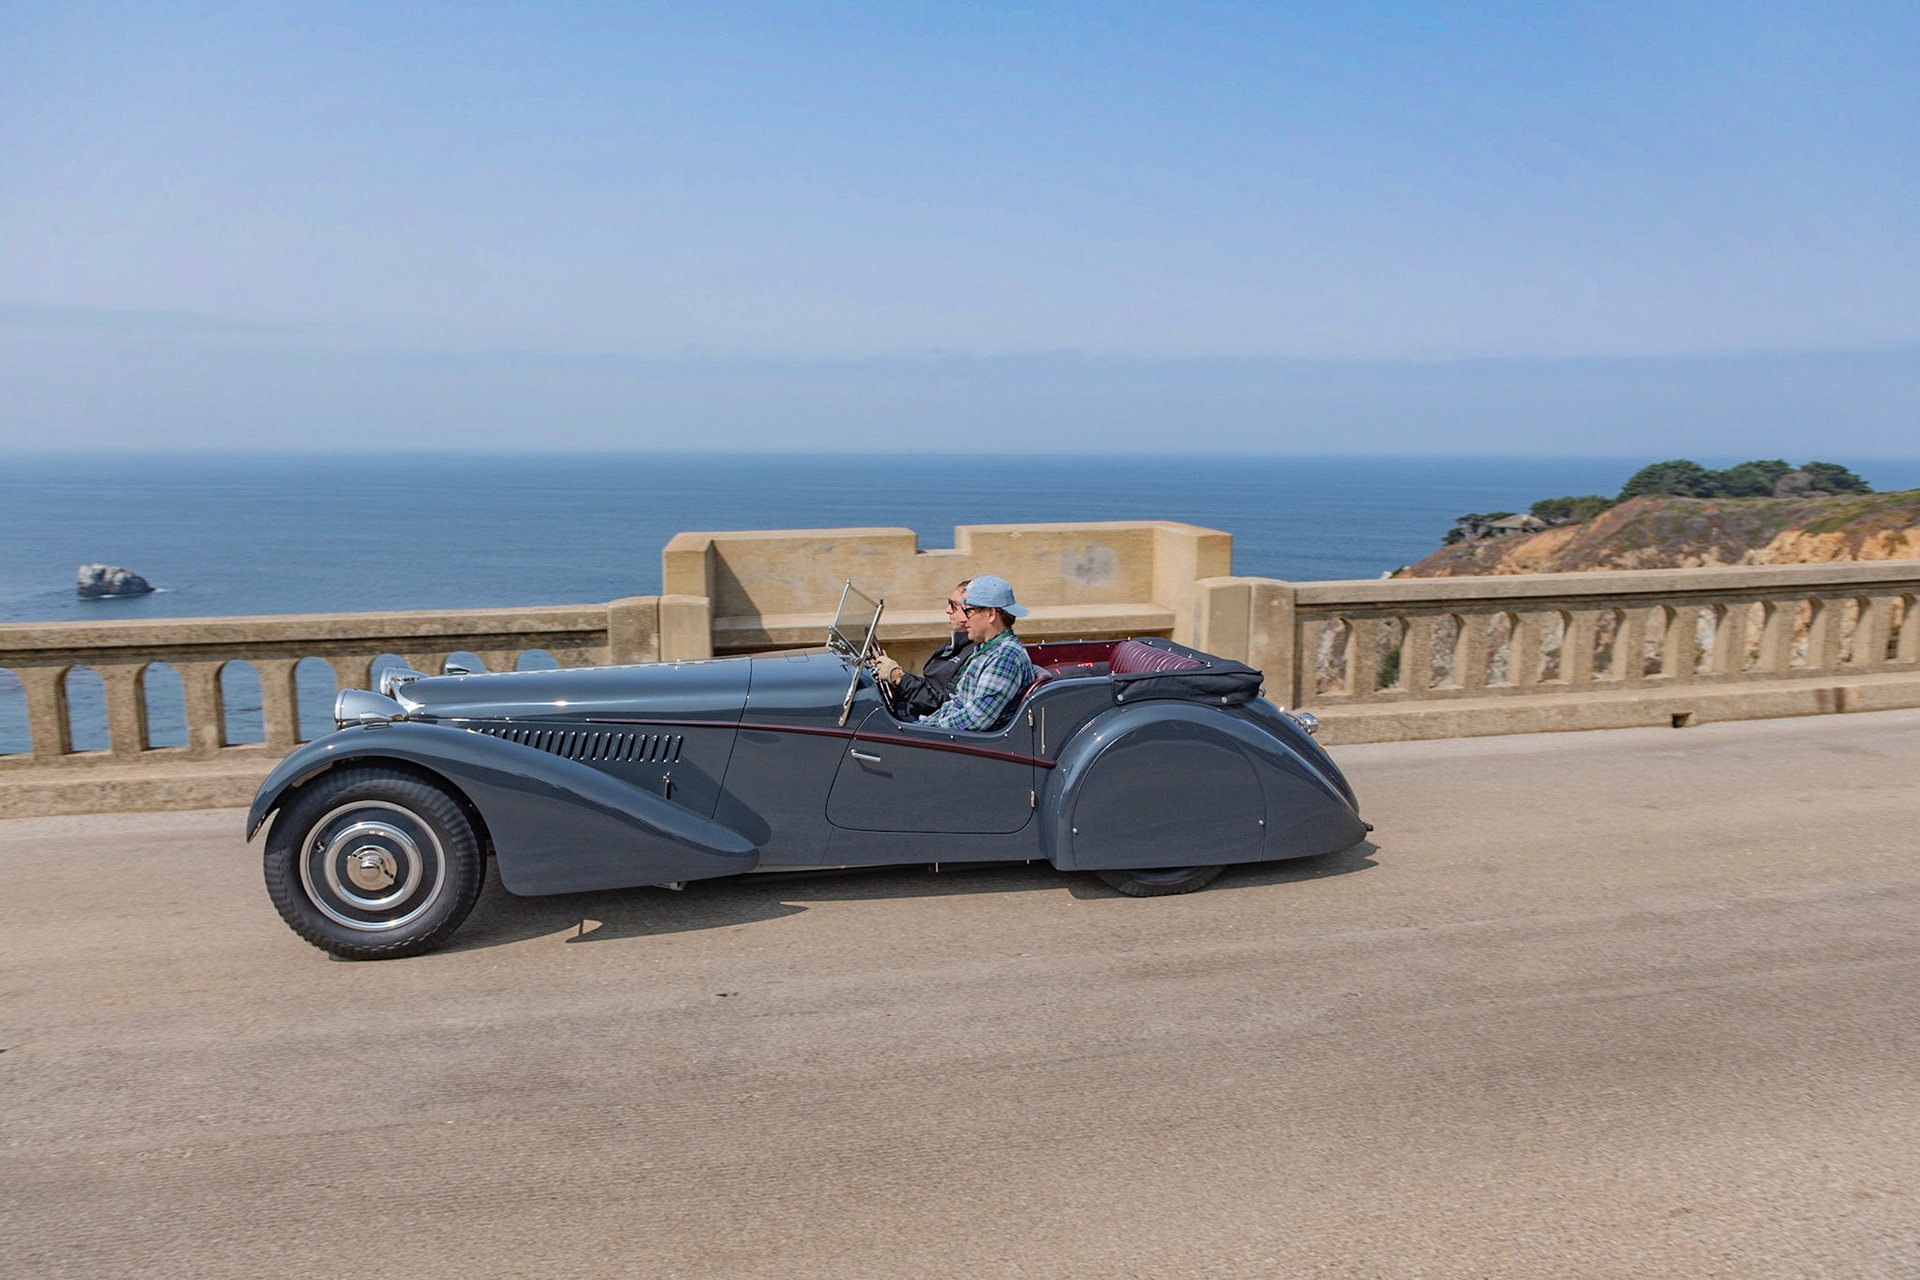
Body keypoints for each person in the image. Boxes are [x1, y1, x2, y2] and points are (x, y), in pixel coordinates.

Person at [919, 575, 1038, 732]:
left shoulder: (1005, 656)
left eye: (968, 611)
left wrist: (923, 732)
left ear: (991, 614)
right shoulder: (986, 649)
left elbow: (977, 718)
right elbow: (957, 703)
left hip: (978, 748)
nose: (965, 620)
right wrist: (920, 726)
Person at [878, 580, 977, 719]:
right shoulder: (953, 645)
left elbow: (944, 703)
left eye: (954, 605)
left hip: (928, 722)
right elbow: (930, 686)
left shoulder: (974, 654)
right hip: (914, 710)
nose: (948, 610)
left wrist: (899, 677)